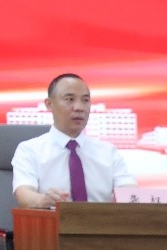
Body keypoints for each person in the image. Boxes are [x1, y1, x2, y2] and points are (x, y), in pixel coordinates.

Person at [12, 73, 137, 208]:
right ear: (49, 104)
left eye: (85, 100)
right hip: (54, 219)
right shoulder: (29, 150)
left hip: (101, 220)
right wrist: (43, 200)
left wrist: (131, 198)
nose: (79, 108)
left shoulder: (107, 151)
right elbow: (24, 194)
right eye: (69, 99)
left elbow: (129, 191)